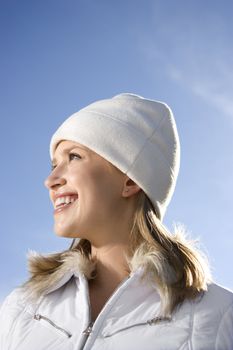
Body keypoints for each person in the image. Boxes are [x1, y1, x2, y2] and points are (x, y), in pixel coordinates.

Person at [0, 93, 232, 350]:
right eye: (54, 164)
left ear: (130, 180)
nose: (50, 179)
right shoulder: (21, 307)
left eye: (74, 157)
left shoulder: (219, 315)